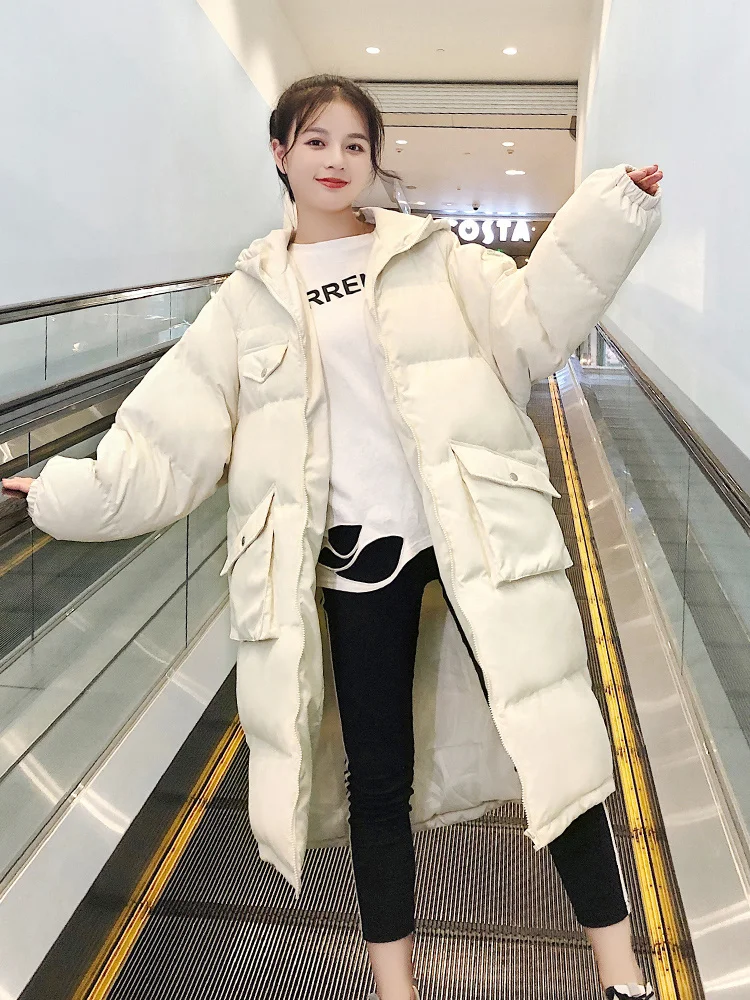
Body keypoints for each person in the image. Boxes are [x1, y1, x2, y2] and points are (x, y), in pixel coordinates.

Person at [3, 74, 663, 1000]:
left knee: (558, 740)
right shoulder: (247, 301)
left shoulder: (436, 258)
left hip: (476, 533)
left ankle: (622, 973)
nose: (337, 159)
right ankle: (395, 986)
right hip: (355, 562)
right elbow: (168, 440)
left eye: (355, 144)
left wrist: (609, 216)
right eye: (316, 140)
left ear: (372, 160)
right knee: (376, 779)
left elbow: (533, 322)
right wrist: (62, 490)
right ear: (281, 153)